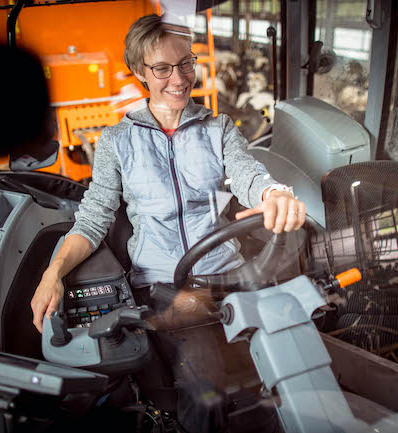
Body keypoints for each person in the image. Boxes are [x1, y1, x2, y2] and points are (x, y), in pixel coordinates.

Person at [30, 14, 306, 333]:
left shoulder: (219, 128)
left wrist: (274, 193)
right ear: (139, 71)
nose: (178, 80)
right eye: (162, 68)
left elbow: (249, 176)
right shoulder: (117, 141)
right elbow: (92, 220)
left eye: (186, 64)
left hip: (228, 279)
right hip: (159, 292)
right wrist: (53, 274)